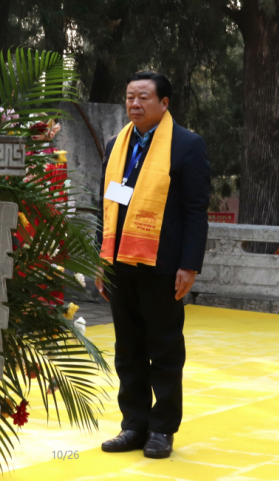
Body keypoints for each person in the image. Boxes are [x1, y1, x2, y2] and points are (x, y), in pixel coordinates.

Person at [95, 71, 210, 460]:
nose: (135, 104)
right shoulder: (116, 144)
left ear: (164, 103)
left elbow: (195, 210)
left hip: (162, 265)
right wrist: (99, 259)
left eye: (144, 97)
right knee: (127, 348)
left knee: (164, 349)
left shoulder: (187, 145)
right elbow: (105, 204)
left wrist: (189, 265)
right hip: (118, 263)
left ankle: (162, 429)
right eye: (130, 97)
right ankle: (133, 425)